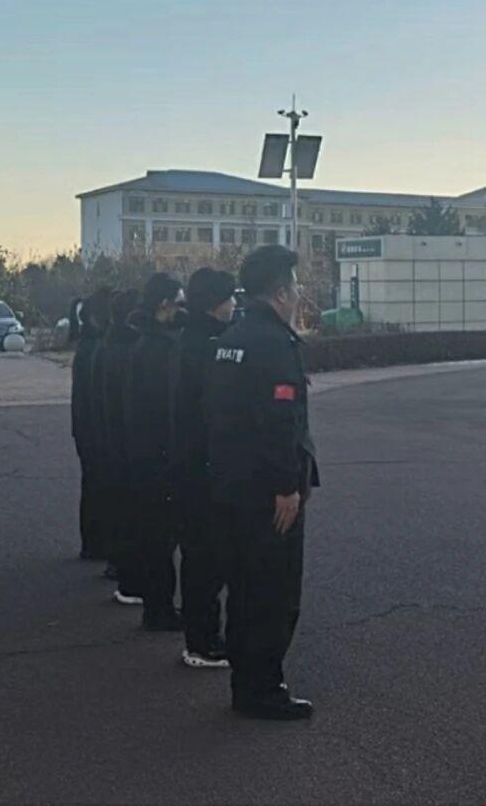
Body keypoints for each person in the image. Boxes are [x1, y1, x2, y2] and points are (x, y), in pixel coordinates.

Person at [206, 246, 318, 720]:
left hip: (233, 484)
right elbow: (278, 421)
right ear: (280, 293)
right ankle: (263, 689)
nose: (298, 295)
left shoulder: (231, 337)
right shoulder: (273, 343)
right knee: (273, 593)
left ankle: (246, 683)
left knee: (245, 588)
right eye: (295, 287)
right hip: (267, 491)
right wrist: (287, 486)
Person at [176, 268, 237, 669]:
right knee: (205, 557)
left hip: (190, 461)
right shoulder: (206, 347)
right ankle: (202, 641)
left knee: (200, 555)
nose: (234, 305)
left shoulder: (188, 339)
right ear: (215, 304)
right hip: (202, 465)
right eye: (230, 298)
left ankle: (200, 634)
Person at [121, 273, 186, 631]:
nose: (181, 310)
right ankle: (159, 609)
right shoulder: (158, 348)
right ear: (164, 304)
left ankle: (156, 604)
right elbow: (165, 408)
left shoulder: (143, 341)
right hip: (158, 455)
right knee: (161, 537)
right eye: (178, 302)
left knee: (155, 535)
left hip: (145, 452)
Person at [96, 289, 144, 602]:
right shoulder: (131, 351)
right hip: (129, 441)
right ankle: (130, 578)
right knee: (134, 514)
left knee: (121, 507)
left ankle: (119, 563)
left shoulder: (107, 346)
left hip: (112, 438)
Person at [72, 289, 110, 561]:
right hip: (95, 427)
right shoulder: (96, 347)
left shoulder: (86, 344)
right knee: (100, 486)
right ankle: (99, 543)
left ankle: (93, 543)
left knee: (93, 485)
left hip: (85, 425)